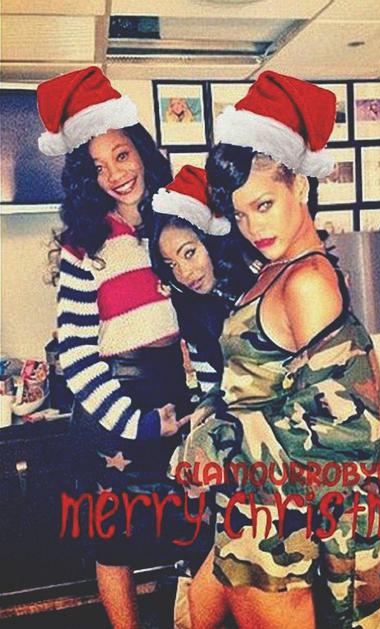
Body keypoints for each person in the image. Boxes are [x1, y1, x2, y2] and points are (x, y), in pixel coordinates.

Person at [172, 71, 380, 629]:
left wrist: (220, 444)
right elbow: (258, 386)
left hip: (278, 522)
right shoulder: (273, 268)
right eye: (240, 213)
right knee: (194, 612)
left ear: (300, 185)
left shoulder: (307, 282)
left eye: (265, 204)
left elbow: (350, 432)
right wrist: (205, 426)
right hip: (254, 503)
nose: (253, 226)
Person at [38, 66, 192, 629]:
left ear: (142, 151)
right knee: (115, 544)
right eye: (98, 167)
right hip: (113, 410)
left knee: (196, 535)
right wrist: (138, 424)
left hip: (180, 399)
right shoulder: (84, 246)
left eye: (122, 155)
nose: (116, 175)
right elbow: (77, 355)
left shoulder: (183, 225)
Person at [150, 164, 257, 396]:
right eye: (171, 265)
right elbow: (211, 390)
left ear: (212, 241)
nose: (184, 273)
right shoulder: (192, 310)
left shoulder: (262, 283)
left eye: (189, 253)